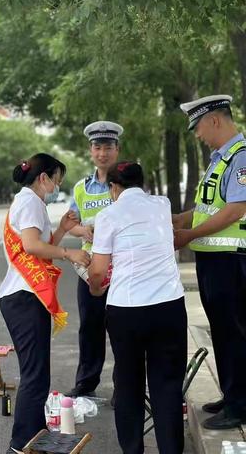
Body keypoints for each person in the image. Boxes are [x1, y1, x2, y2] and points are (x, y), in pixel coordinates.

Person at [88, 161, 186, 454]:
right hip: (168, 307)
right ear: (142, 184)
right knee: (167, 386)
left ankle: (133, 450)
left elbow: (98, 270)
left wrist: (95, 289)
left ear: (114, 188)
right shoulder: (161, 204)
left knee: (128, 385)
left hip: (126, 311)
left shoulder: (108, 215)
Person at [0, 153, 90, 454]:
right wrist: (70, 252)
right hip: (24, 298)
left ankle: (34, 434)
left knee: (37, 373)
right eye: (57, 179)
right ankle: (21, 442)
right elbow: (32, 246)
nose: (57, 185)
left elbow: (40, 249)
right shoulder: (30, 202)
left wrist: (61, 229)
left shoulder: (30, 201)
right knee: (35, 375)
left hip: (23, 298)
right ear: (43, 178)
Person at [175, 94, 246, 430]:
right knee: (223, 330)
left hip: (232, 261)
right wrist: (179, 219)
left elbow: (235, 209)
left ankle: (240, 405)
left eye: (199, 127)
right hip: (214, 261)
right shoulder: (220, 159)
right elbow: (208, 208)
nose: (197, 135)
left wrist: (189, 235)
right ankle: (232, 393)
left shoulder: (241, 157)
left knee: (235, 332)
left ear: (215, 120)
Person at [65, 121, 122, 399]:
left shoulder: (126, 184)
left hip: (122, 266)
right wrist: (82, 230)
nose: (103, 153)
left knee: (122, 328)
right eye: (97, 147)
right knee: (89, 326)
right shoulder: (81, 188)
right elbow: (70, 223)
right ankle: (86, 383)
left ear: (117, 150)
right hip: (89, 268)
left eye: (108, 147)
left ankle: (122, 386)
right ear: (91, 151)